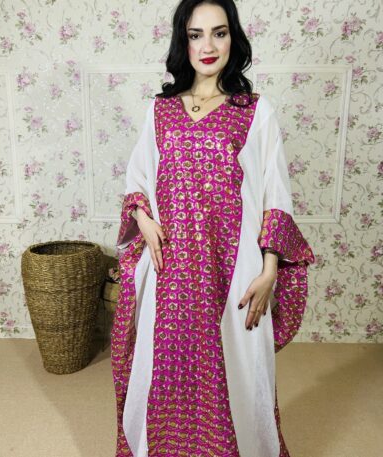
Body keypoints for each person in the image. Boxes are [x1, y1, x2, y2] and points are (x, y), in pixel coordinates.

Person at [111, 0, 315, 456]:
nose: (208, 45)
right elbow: (138, 177)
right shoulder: (161, 110)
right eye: (196, 34)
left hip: (233, 268)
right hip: (169, 269)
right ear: (182, 42)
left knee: (239, 372)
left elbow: (274, 193)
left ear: (232, 39)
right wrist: (143, 218)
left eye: (219, 33)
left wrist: (269, 269)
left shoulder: (255, 111)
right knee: (164, 369)